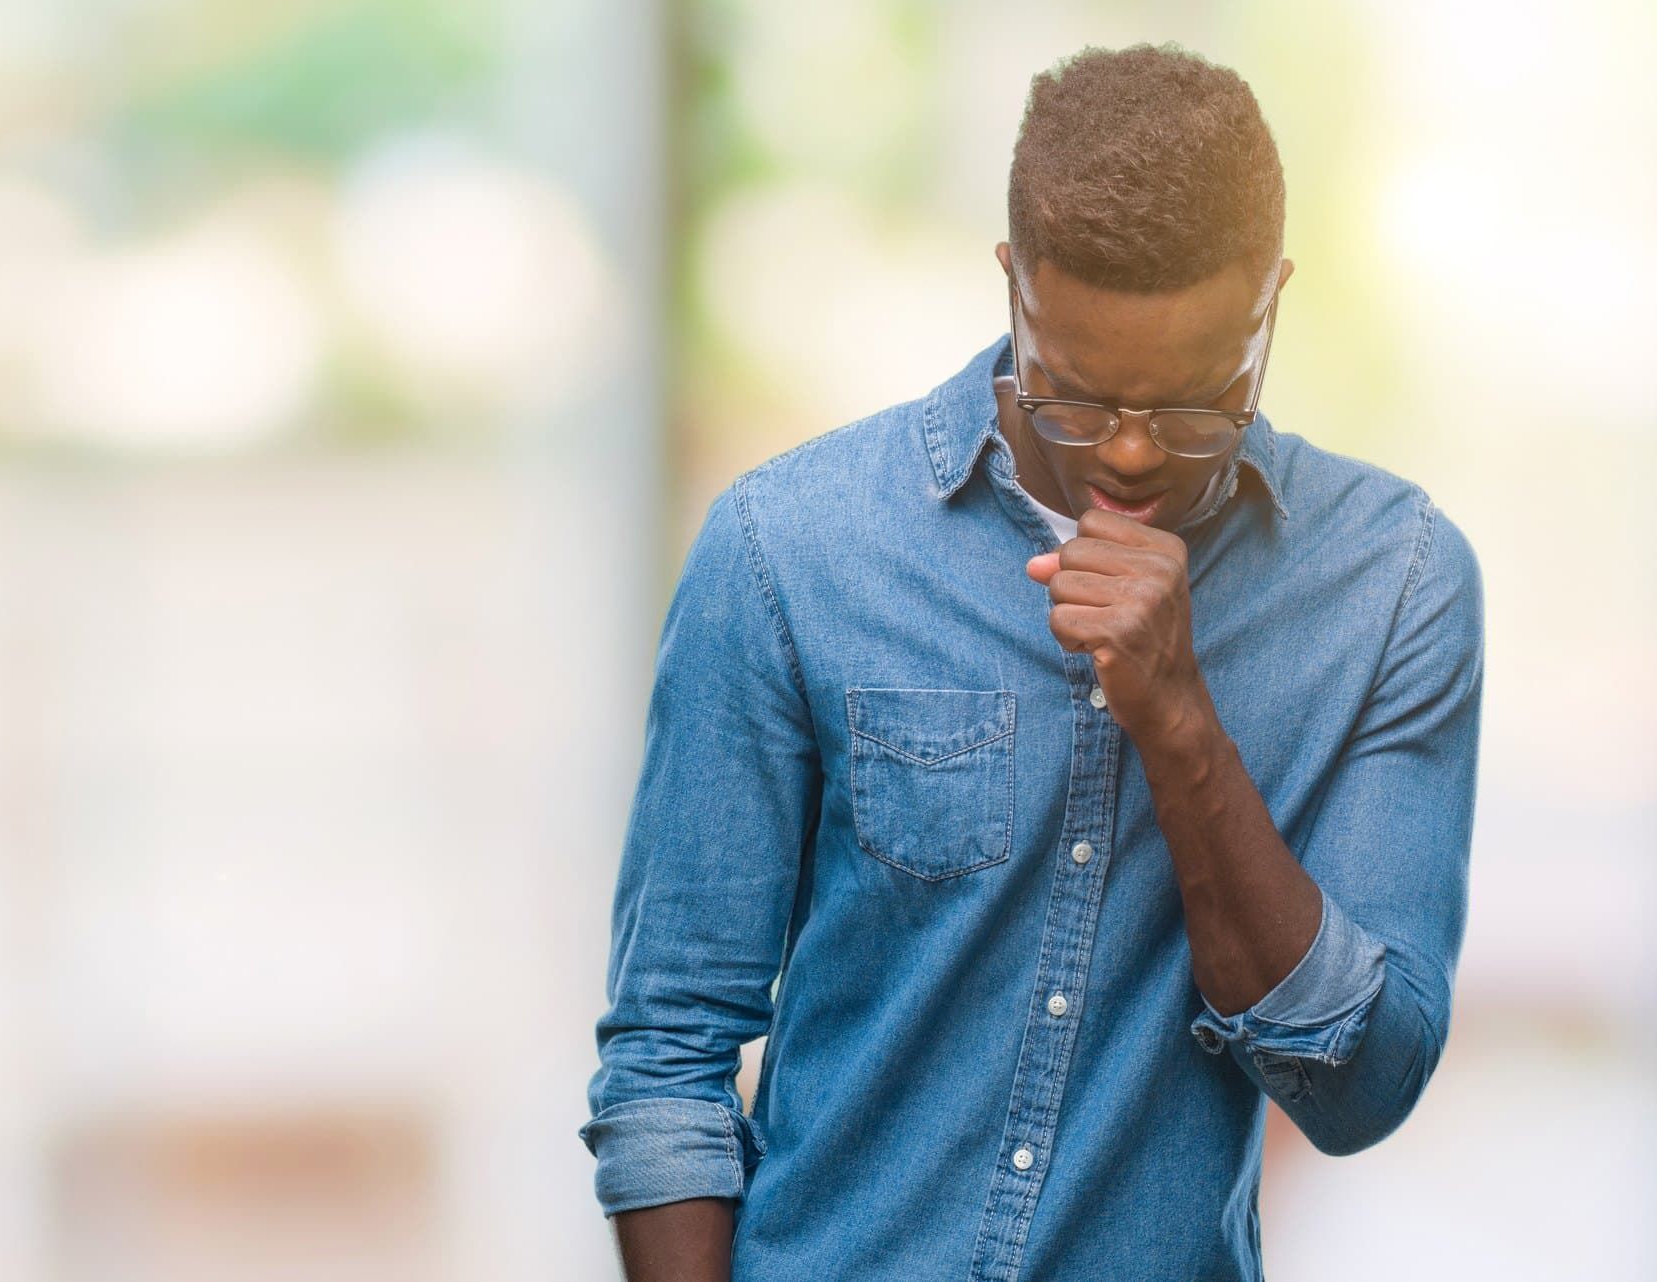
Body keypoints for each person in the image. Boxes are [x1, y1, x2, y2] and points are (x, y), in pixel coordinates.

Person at [578, 42, 1483, 1282]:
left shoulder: (1391, 584)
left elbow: (1363, 1084)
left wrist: (1178, 718)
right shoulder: (789, 548)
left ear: (1270, 299)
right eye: (1073, 392)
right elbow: (667, 1050)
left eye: (1191, 406)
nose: (1123, 455)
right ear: (1014, 286)